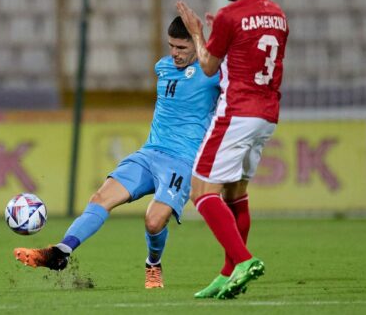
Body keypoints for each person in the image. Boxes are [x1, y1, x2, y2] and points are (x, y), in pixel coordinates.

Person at [14, 16, 220, 289]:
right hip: (149, 154)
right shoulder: (163, 67)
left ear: (197, 44)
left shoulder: (214, 74)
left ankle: (153, 265)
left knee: (154, 221)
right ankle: (61, 252)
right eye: (171, 46)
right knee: (101, 197)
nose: (174, 53)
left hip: (181, 161)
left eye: (181, 48)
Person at [176, 0, 289, 300]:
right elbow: (249, 48)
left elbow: (208, 66)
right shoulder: (278, 15)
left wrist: (197, 33)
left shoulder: (230, 16)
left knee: (202, 193)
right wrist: (220, 31)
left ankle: (243, 260)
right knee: (235, 194)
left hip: (237, 111)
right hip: (266, 115)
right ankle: (227, 274)